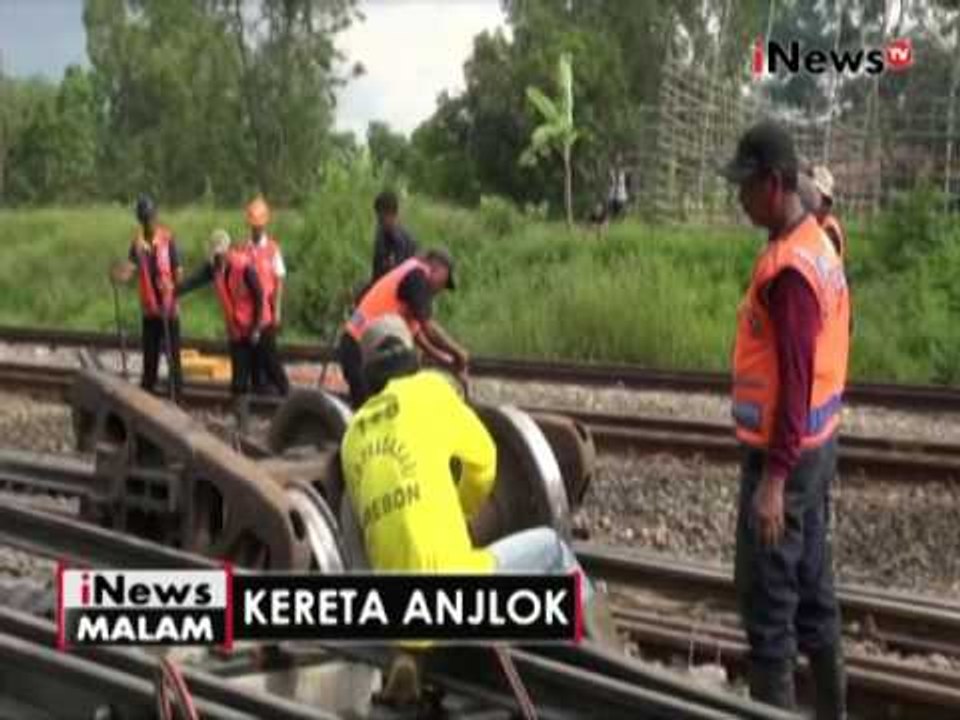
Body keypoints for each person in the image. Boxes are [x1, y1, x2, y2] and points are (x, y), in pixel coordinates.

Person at [340, 314, 613, 700]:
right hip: (455, 587)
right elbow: (484, 461)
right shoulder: (430, 392)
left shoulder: (352, 436)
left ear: (368, 374)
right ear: (411, 357)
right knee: (554, 551)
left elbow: (363, 523)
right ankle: (609, 661)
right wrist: (465, 512)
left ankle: (409, 654)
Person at [721, 121, 850, 718]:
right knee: (816, 600)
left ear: (774, 184)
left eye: (745, 188)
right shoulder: (817, 243)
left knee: (770, 615)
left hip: (786, 462)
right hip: (815, 452)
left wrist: (773, 481)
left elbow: (796, 379)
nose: (739, 199)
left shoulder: (793, 272)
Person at [337, 249, 468, 408]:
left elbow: (418, 336)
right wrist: (458, 352)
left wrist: (446, 361)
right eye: (444, 282)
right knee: (371, 410)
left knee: (383, 405)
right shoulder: (417, 275)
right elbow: (428, 327)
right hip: (358, 347)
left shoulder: (410, 277)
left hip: (366, 348)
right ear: (436, 267)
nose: (441, 289)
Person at [110, 194, 184, 402]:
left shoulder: (168, 239)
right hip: (150, 310)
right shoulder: (137, 244)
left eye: (150, 217)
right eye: (144, 219)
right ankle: (147, 395)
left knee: (173, 357)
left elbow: (178, 271)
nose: (148, 222)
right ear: (140, 220)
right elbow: (131, 269)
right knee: (150, 357)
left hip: (169, 309)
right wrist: (118, 276)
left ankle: (176, 395)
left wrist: (175, 294)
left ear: (155, 216)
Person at [176, 229, 265, 398]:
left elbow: (259, 296)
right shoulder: (213, 268)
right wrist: (172, 291)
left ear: (227, 251)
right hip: (235, 330)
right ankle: (242, 416)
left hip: (253, 326)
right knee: (238, 381)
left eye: (219, 254)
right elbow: (193, 282)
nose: (217, 258)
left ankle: (273, 408)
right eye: (214, 255)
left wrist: (257, 328)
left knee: (260, 375)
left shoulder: (244, 267)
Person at [243, 195, 290, 396]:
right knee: (253, 355)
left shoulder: (272, 249)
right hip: (249, 311)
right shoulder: (244, 248)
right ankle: (259, 389)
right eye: (254, 225)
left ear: (264, 225)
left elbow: (279, 280)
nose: (256, 229)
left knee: (269, 353)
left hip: (267, 310)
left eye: (259, 226)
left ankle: (284, 389)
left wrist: (277, 309)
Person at [371, 190, 418, 283]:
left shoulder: (403, 241)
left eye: (382, 219)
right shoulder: (380, 233)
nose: (380, 223)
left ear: (393, 215)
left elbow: (399, 276)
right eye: (378, 218)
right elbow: (376, 270)